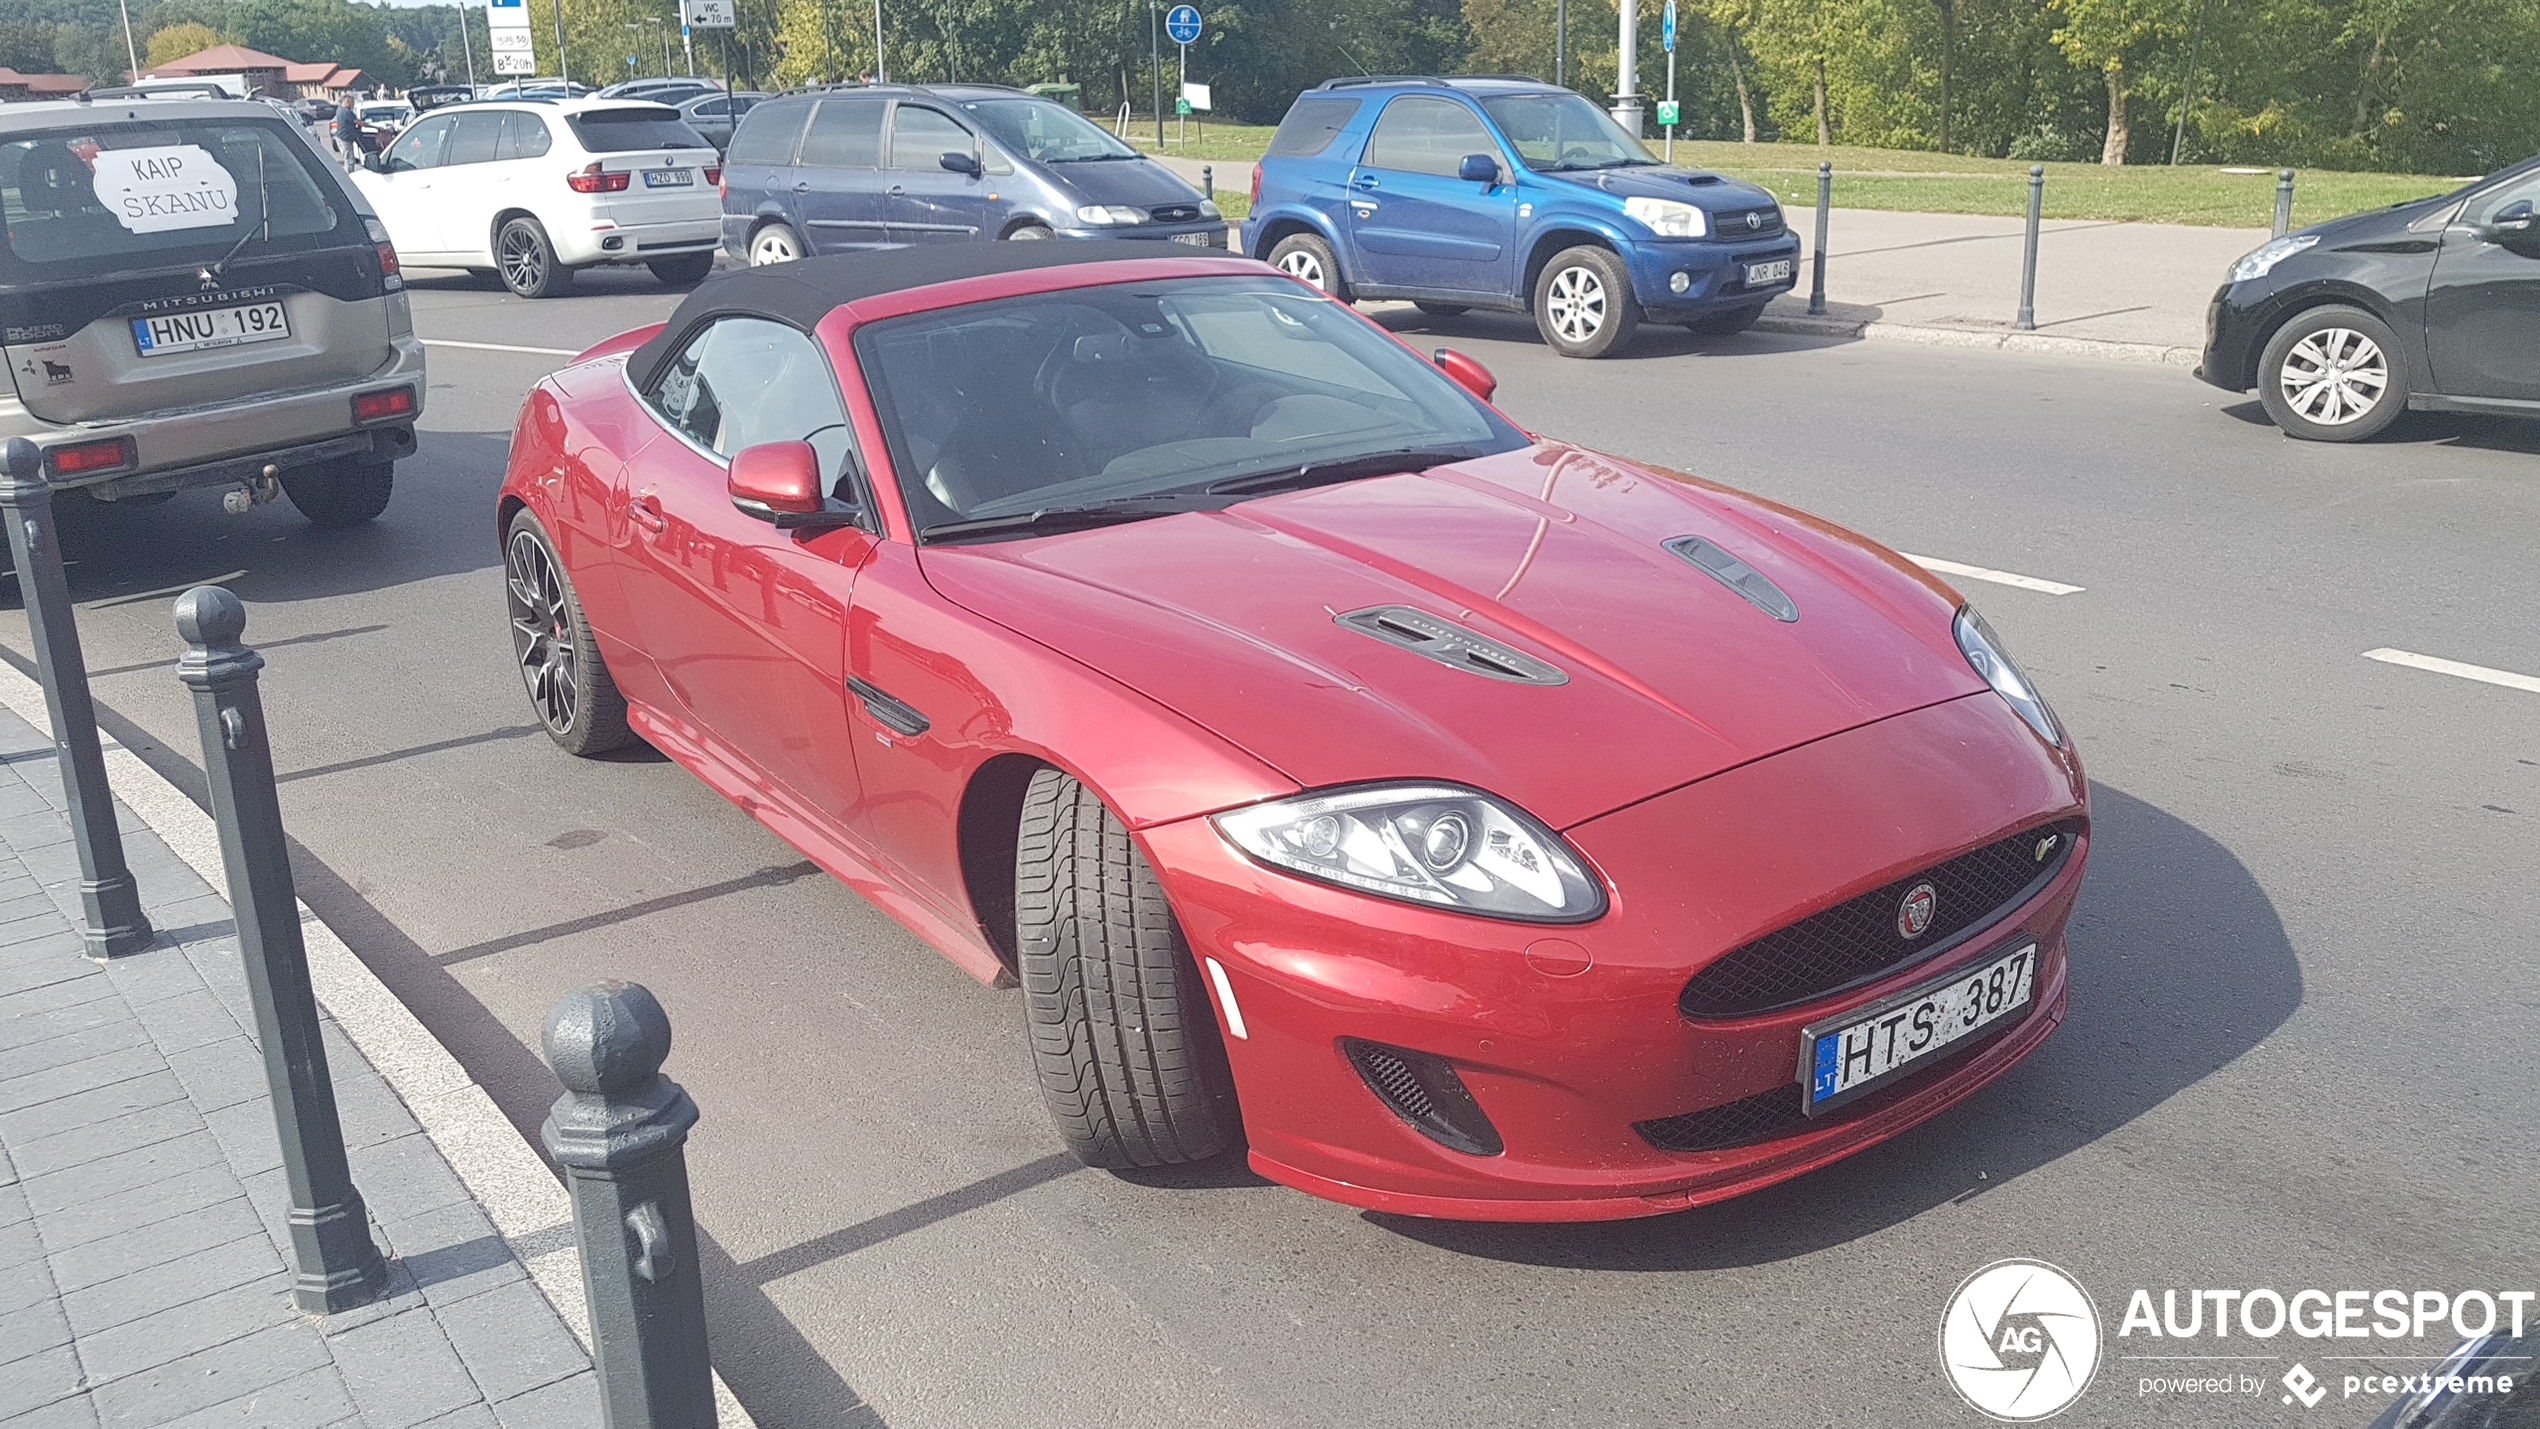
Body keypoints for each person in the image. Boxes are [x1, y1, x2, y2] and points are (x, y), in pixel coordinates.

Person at [333, 101, 361, 170]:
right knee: (349, 158)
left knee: (347, 158)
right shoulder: (347, 112)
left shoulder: (339, 110)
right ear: (347, 102)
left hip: (341, 137)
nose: (353, 104)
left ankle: (349, 172)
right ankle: (350, 174)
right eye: (352, 102)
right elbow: (357, 122)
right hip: (346, 138)